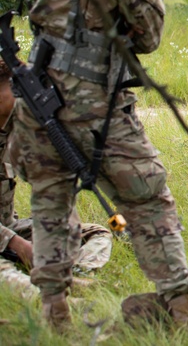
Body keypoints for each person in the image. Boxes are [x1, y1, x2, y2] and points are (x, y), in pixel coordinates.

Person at [8, 0, 188, 331]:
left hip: (42, 107)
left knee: (51, 207)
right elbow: (150, 35)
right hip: (96, 108)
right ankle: (185, 314)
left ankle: (56, 318)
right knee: (149, 200)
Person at [1, 58, 113, 301]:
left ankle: (78, 276)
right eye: (15, 92)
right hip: (7, 238)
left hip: (9, 226)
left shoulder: (18, 127)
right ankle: (49, 299)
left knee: (95, 234)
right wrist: (17, 245)